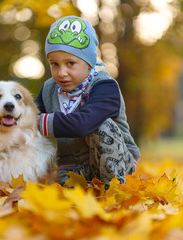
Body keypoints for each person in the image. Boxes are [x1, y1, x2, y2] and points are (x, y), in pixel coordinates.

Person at [35, 16, 140, 188]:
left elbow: (84, 123)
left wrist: (35, 121)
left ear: (89, 64)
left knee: (101, 126)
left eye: (70, 63)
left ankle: (113, 188)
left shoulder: (105, 86)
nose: (62, 72)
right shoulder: (49, 89)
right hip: (72, 168)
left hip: (115, 162)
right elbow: (26, 119)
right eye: (54, 64)